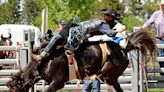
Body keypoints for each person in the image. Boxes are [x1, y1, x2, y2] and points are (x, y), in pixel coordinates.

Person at [31, 8, 125, 64]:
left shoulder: (105, 25)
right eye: (105, 14)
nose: (105, 15)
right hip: (75, 29)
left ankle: (41, 57)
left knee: (56, 37)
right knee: (54, 36)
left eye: (107, 14)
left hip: (77, 33)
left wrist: (117, 30)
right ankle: (45, 49)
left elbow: (110, 33)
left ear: (110, 17)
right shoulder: (102, 22)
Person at [141, 0, 164, 75]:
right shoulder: (156, 14)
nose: (163, 7)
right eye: (162, 5)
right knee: (161, 57)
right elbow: (148, 23)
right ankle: (163, 77)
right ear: (160, 6)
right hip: (160, 40)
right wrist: (141, 29)